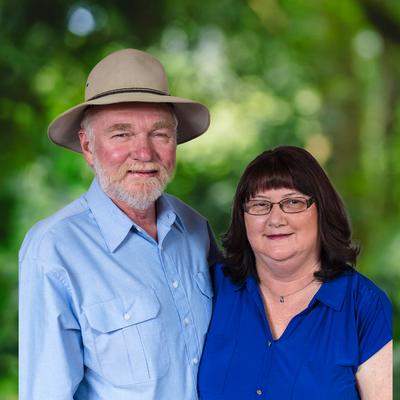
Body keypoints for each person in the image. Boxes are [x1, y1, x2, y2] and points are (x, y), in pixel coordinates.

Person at [19, 48, 219, 400]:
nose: (144, 153)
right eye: (121, 134)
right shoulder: (53, 250)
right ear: (88, 146)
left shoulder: (195, 230)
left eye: (159, 134)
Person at [198, 146, 392, 399]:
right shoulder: (212, 286)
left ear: (321, 210)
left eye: (293, 202)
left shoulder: (364, 306)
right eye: (259, 204)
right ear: (242, 216)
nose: (275, 219)